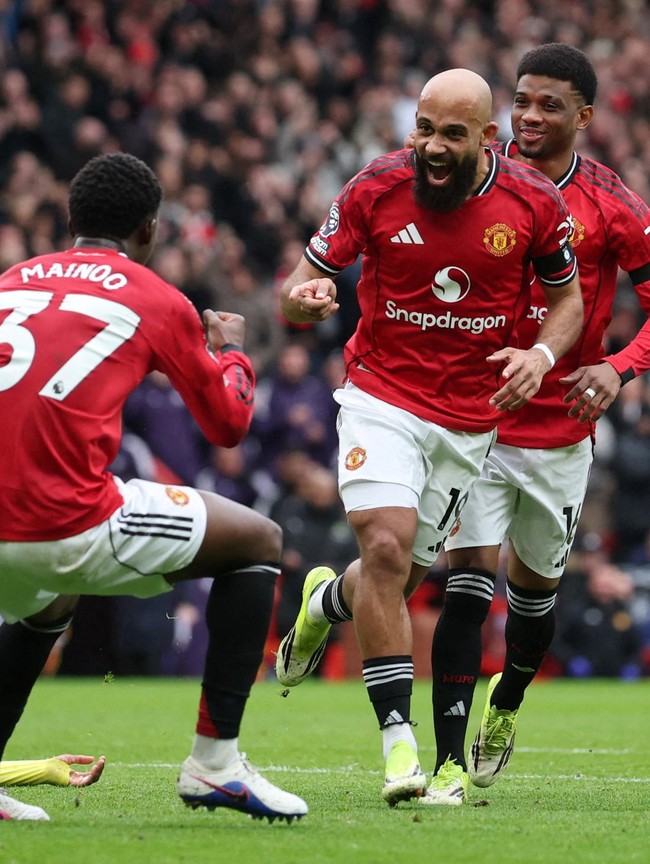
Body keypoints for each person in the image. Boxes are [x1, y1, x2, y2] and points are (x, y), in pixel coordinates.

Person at [275, 68, 583, 807]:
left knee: (397, 579)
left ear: (487, 137)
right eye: (423, 130)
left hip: (468, 422)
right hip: (380, 397)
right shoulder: (375, 187)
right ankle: (399, 748)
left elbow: (567, 298)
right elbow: (295, 286)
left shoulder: (533, 202)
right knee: (385, 548)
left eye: (452, 134)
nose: (433, 147)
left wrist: (541, 355)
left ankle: (324, 606)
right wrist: (303, 300)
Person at [0, 152, 307, 823]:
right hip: (63, 520)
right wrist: (231, 351)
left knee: (48, 602)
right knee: (258, 540)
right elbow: (228, 425)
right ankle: (215, 765)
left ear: (70, 222)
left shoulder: (11, 282)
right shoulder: (154, 295)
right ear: (150, 230)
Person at [424, 44, 650, 804]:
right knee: (465, 587)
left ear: (584, 116)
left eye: (549, 105)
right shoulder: (474, 179)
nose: (529, 116)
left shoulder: (612, 203)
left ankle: (509, 699)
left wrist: (618, 368)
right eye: (520, 100)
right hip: (479, 420)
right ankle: (447, 763)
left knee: (533, 605)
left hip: (561, 430)